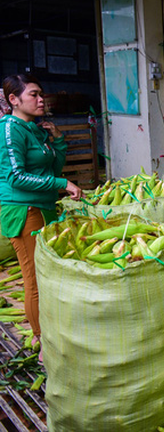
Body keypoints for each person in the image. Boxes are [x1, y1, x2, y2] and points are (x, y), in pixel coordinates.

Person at [0, 74, 83, 359]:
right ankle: (41, 340)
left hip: (44, 208)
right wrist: (63, 185)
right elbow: (16, 176)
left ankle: (51, 330)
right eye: (33, 94)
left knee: (49, 275)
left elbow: (53, 168)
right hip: (24, 210)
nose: (40, 99)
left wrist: (58, 141)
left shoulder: (35, 130)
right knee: (34, 278)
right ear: (14, 99)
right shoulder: (10, 129)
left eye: (41, 94)